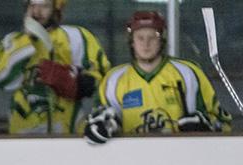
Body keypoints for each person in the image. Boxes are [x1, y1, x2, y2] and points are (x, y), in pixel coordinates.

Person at [84, 11, 232, 144]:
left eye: (152, 37)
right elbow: (97, 123)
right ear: (132, 41)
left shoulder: (188, 73)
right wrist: (100, 127)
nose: (146, 43)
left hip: (181, 159)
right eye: (140, 37)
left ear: (162, 39)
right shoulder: (113, 80)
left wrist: (205, 129)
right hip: (131, 160)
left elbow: (223, 123)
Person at [0, 0, 109, 135]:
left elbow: (102, 78)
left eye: (45, 6)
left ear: (57, 9)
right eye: (32, 5)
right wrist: (27, 39)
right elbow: (2, 80)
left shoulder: (76, 37)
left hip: (69, 131)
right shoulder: (12, 41)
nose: (37, 12)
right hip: (23, 132)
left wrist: (76, 83)